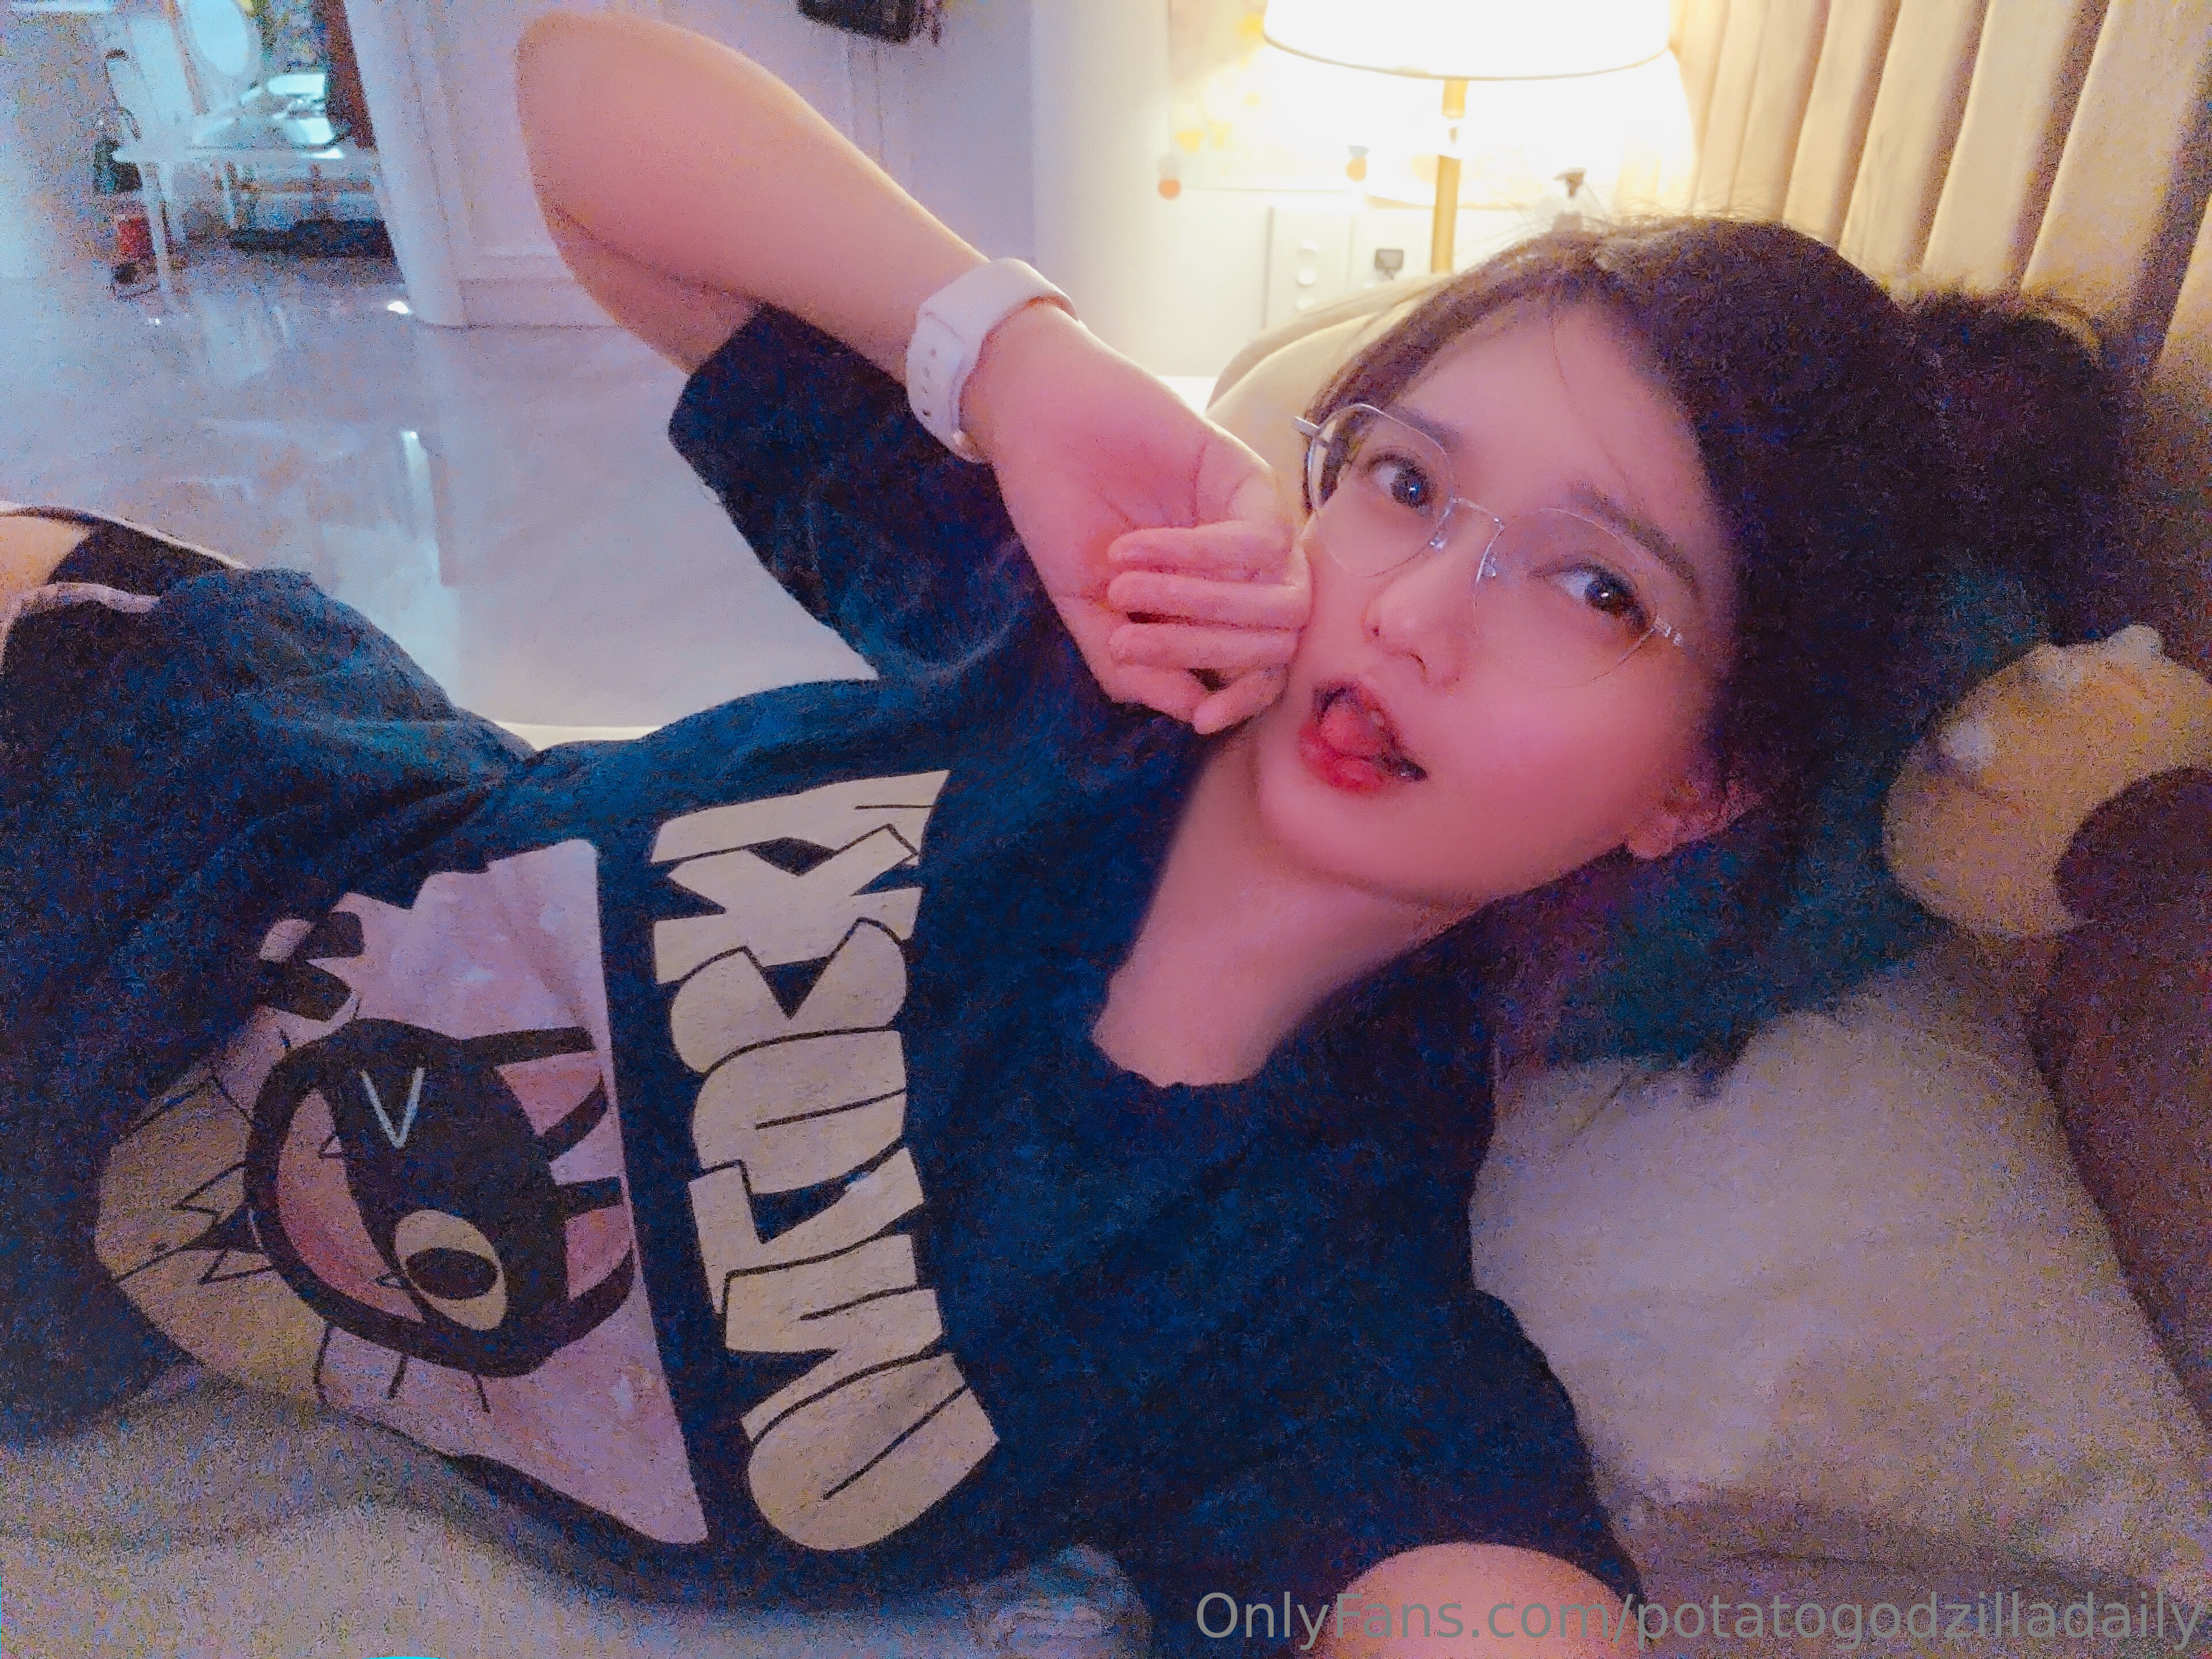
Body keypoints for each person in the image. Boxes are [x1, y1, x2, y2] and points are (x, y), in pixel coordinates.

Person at [0, 14, 2084, 1657]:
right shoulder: (1103, 650)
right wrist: (1009, 359)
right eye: (1408, 484)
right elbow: (575, 100)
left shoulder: (1312, 1318)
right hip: (127, 754)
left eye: (1599, 587)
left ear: (1700, 783)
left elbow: (1485, 1594)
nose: (1417, 616)